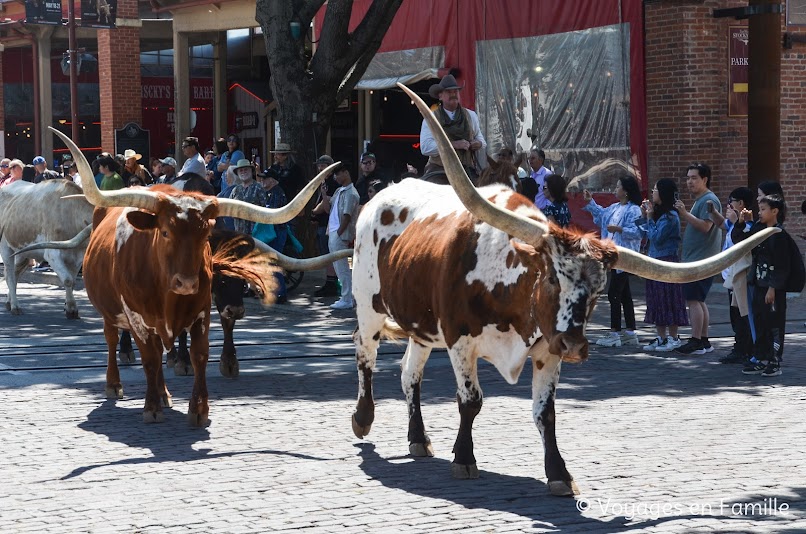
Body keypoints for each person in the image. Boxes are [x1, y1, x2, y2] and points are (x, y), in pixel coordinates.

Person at [583, 176, 643, 347]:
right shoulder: (614, 207)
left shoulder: (634, 210)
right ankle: (630, 331)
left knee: (614, 293)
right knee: (625, 295)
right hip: (613, 256)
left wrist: (619, 229)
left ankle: (615, 332)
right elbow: (601, 215)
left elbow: (638, 232)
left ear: (625, 191)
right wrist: (591, 202)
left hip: (625, 257)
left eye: (618, 187)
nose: (615, 189)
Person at [734, 194, 789, 377]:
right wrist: (741, 223)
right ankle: (759, 357)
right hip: (758, 284)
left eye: (764, 209)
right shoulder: (758, 228)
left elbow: (782, 264)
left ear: (775, 211)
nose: (760, 212)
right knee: (760, 322)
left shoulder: (779, 234)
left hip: (772, 287)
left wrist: (773, 287)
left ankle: (774, 360)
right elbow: (740, 243)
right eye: (760, 209)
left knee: (774, 324)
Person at [673, 163, 722, 355]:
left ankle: (696, 341)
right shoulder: (701, 199)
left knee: (693, 300)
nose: (689, 182)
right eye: (688, 178)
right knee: (699, 301)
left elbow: (706, 226)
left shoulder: (709, 200)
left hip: (701, 260)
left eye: (694, 178)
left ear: (705, 179)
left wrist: (684, 214)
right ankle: (703, 340)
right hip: (696, 259)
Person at [635, 178, 688, 351]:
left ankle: (673, 337)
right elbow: (644, 232)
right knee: (656, 299)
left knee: (669, 299)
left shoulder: (671, 216)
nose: (652, 193)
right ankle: (661, 337)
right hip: (654, 261)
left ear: (663, 193)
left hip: (667, 261)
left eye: (656, 190)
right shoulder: (658, 213)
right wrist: (645, 216)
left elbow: (657, 238)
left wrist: (649, 217)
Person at [707, 187, 755, 364]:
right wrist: (713, 212)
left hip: (739, 278)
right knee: (735, 315)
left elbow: (738, 242)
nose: (728, 205)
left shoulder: (747, 226)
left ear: (740, 204)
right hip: (730, 277)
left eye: (731, 201)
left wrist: (737, 223)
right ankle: (741, 347)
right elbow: (722, 224)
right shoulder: (732, 223)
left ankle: (744, 349)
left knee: (741, 315)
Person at [420, 74, 487, 181]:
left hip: (466, 169)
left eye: (455, 91)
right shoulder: (431, 118)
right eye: (448, 92)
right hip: (439, 169)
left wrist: (477, 144)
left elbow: (482, 141)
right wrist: (454, 145)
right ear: (440, 96)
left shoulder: (471, 115)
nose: (453, 94)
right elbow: (426, 148)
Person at [328, 163, 360, 310]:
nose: (336, 177)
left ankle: (347, 298)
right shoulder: (338, 191)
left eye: (338, 174)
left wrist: (340, 233)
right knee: (339, 266)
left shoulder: (351, 193)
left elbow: (347, 215)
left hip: (340, 233)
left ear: (345, 173)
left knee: (343, 267)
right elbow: (329, 207)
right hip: (333, 231)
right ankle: (346, 296)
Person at [256, 170, 289, 304]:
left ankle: (280, 293)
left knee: (274, 261)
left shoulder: (277, 192)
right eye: (262, 179)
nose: (262, 181)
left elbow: (271, 211)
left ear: (274, 180)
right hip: (270, 231)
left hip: (277, 231)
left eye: (266, 178)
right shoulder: (268, 192)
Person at [310, 155, 340, 298]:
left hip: (329, 224)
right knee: (326, 254)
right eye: (319, 165)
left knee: (329, 255)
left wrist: (315, 211)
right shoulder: (323, 181)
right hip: (323, 223)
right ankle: (330, 282)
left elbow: (327, 205)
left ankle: (332, 283)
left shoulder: (332, 182)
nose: (320, 168)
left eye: (323, 165)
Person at [228, 159, 267, 236]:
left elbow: (265, 209)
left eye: (246, 170)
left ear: (251, 171)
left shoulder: (258, 187)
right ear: (238, 173)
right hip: (239, 233)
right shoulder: (235, 190)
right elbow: (229, 210)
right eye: (241, 170)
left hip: (256, 233)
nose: (243, 172)